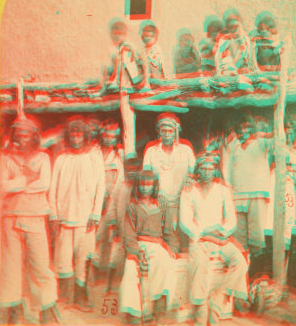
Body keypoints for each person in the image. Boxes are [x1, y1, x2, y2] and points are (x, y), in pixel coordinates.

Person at [0, 116, 59, 324]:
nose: (23, 137)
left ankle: (47, 307)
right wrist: (26, 178)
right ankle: (13, 307)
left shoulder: (43, 157)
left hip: (35, 216)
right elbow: (3, 187)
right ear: (14, 135)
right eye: (20, 133)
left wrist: (19, 185)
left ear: (34, 135)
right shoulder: (5, 157)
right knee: (11, 265)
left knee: (41, 265)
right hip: (10, 217)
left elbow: (44, 184)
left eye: (27, 133)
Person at [180, 151, 249, 326]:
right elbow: (185, 221)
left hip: (220, 238)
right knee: (200, 264)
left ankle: (217, 302)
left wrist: (221, 233)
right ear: (198, 170)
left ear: (215, 171)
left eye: (210, 168)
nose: (207, 172)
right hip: (199, 239)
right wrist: (203, 233)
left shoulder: (223, 190)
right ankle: (201, 311)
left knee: (239, 261)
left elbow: (231, 220)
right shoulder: (189, 190)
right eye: (203, 168)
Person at [49, 117, 105, 312]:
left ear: (85, 135)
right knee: (63, 260)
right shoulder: (61, 158)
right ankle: (65, 296)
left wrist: (96, 214)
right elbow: (53, 187)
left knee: (83, 258)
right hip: (64, 218)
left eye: (79, 133)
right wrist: (54, 215)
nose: (75, 137)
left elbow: (101, 187)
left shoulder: (94, 157)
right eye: (72, 133)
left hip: (86, 219)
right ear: (68, 136)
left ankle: (81, 297)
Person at [120, 170, 177, 325]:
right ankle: (134, 313)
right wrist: (136, 252)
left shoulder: (162, 202)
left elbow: (169, 232)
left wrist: (172, 248)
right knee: (131, 269)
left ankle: (156, 308)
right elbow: (129, 235)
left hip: (158, 244)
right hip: (138, 244)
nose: (145, 188)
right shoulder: (132, 205)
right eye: (142, 185)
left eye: (149, 185)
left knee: (166, 264)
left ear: (155, 186)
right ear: (137, 186)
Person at [226, 114, 273, 278]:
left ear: (253, 128)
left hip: (257, 194)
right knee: (239, 239)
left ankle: (255, 276)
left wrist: (262, 134)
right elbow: (228, 168)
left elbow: (278, 138)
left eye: (247, 127)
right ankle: (242, 278)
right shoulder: (233, 145)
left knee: (256, 238)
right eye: (241, 127)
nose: (244, 130)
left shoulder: (261, 142)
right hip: (237, 195)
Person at [143, 113, 196, 252]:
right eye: (164, 131)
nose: (167, 134)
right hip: (160, 200)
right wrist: (156, 193)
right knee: (165, 236)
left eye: (170, 131)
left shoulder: (186, 150)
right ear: (158, 131)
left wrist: (191, 177)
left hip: (182, 199)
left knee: (184, 232)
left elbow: (195, 172)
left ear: (176, 132)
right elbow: (146, 176)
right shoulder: (151, 151)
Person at [105, 157, 142, 293]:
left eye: (134, 170)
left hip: (135, 230)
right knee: (114, 257)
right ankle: (109, 285)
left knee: (133, 258)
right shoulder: (120, 185)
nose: (131, 173)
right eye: (128, 170)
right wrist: (114, 224)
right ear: (125, 170)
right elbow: (112, 205)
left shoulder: (141, 186)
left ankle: (131, 287)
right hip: (120, 227)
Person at [93, 119, 124, 274]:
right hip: (93, 200)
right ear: (101, 135)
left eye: (113, 136)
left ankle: (108, 272)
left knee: (110, 235)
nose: (109, 138)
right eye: (107, 135)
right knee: (95, 237)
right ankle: (95, 268)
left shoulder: (118, 155)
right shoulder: (93, 151)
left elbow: (121, 179)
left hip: (112, 200)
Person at [215, 8, 251, 76]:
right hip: (228, 75)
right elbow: (219, 61)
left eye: (236, 26)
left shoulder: (246, 40)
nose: (234, 30)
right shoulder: (224, 40)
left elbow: (247, 61)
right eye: (230, 27)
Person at [139, 20, 167, 87]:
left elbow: (164, 70)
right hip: (147, 84)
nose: (148, 38)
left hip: (158, 83)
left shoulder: (157, 50)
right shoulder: (142, 50)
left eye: (150, 36)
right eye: (145, 36)